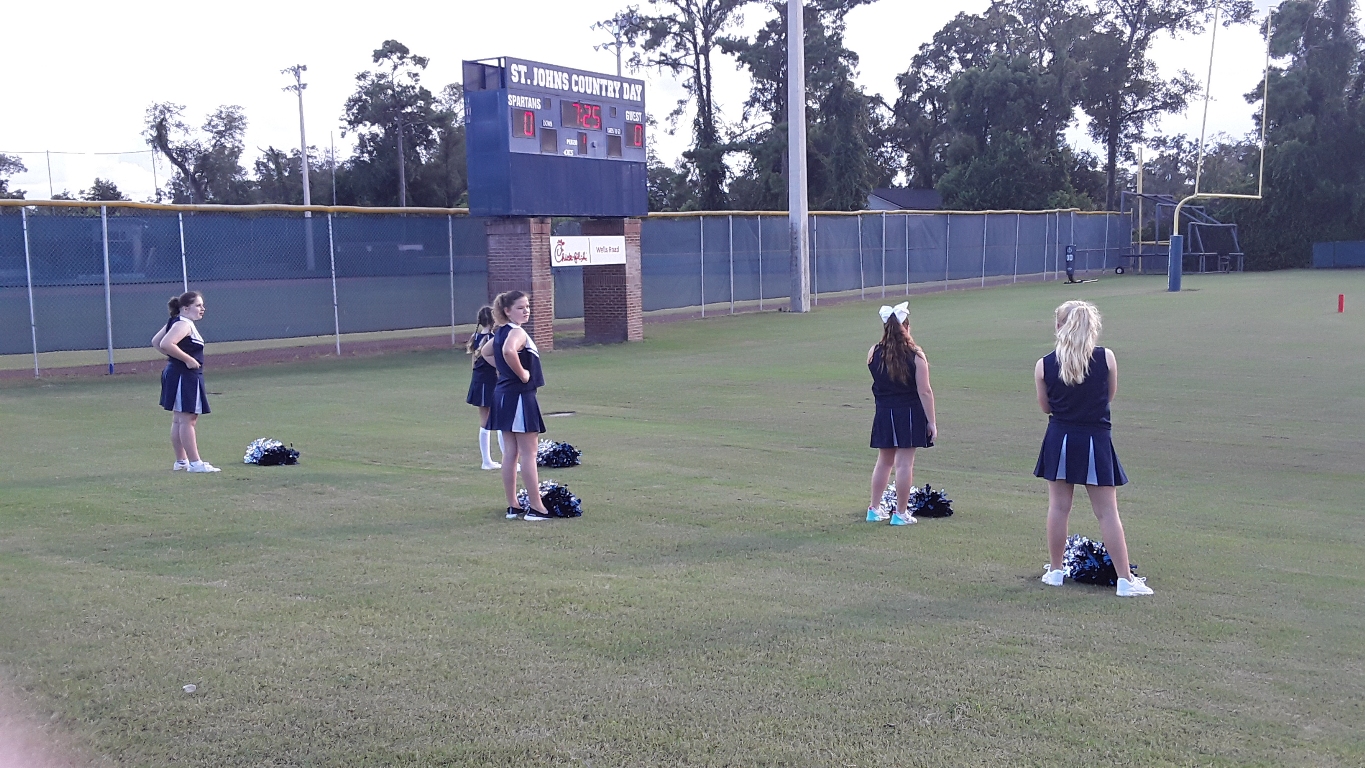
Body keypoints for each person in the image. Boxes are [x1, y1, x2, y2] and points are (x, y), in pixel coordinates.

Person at [1034, 300, 1152, 597]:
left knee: (1058, 507)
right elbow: (1108, 396)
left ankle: (1056, 571)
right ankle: (1125, 580)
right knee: (1107, 512)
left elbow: (1045, 406)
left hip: (1060, 438)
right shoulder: (1106, 358)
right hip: (1095, 439)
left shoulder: (1044, 364)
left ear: (1059, 326)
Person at [480, 291, 552, 521]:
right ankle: (537, 508)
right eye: (520, 308)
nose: (526, 311)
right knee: (529, 453)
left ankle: (514, 506)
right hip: (519, 395)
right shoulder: (516, 332)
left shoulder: (501, 332)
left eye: (527, 306)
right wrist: (521, 374)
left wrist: (504, 370)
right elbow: (508, 351)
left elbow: (485, 352)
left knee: (511, 453)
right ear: (507, 311)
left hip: (503, 395)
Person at [866, 301, 937, 526]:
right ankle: (900, 513)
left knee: (883, 462)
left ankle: (874, 509)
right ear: (906, 326)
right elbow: (925, 391)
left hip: (883, 413)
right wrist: (932, 422)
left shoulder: (873, 352)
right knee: (904, 464)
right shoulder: (916, 355)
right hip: (909, 414)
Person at [151, 291, 220, 473]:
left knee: (179, 419)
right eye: (198, 305)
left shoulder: (177, 322)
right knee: (188, 419)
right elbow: (165, 344)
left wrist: (176, 358)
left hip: (177, 373)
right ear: (185, 308)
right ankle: (195, 463)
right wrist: (187, 359)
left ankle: (181, 462)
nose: (202, 309)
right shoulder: (183, 324)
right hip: (184, 376)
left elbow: (156, 341)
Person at [466, 305, 503, 470]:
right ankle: (503, 460)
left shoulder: (474, 337)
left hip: (478, 381)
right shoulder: (493, 338)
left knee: (485, 422)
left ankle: (487, 461)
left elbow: (473, 364)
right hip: (491, 382)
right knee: (500, 421)